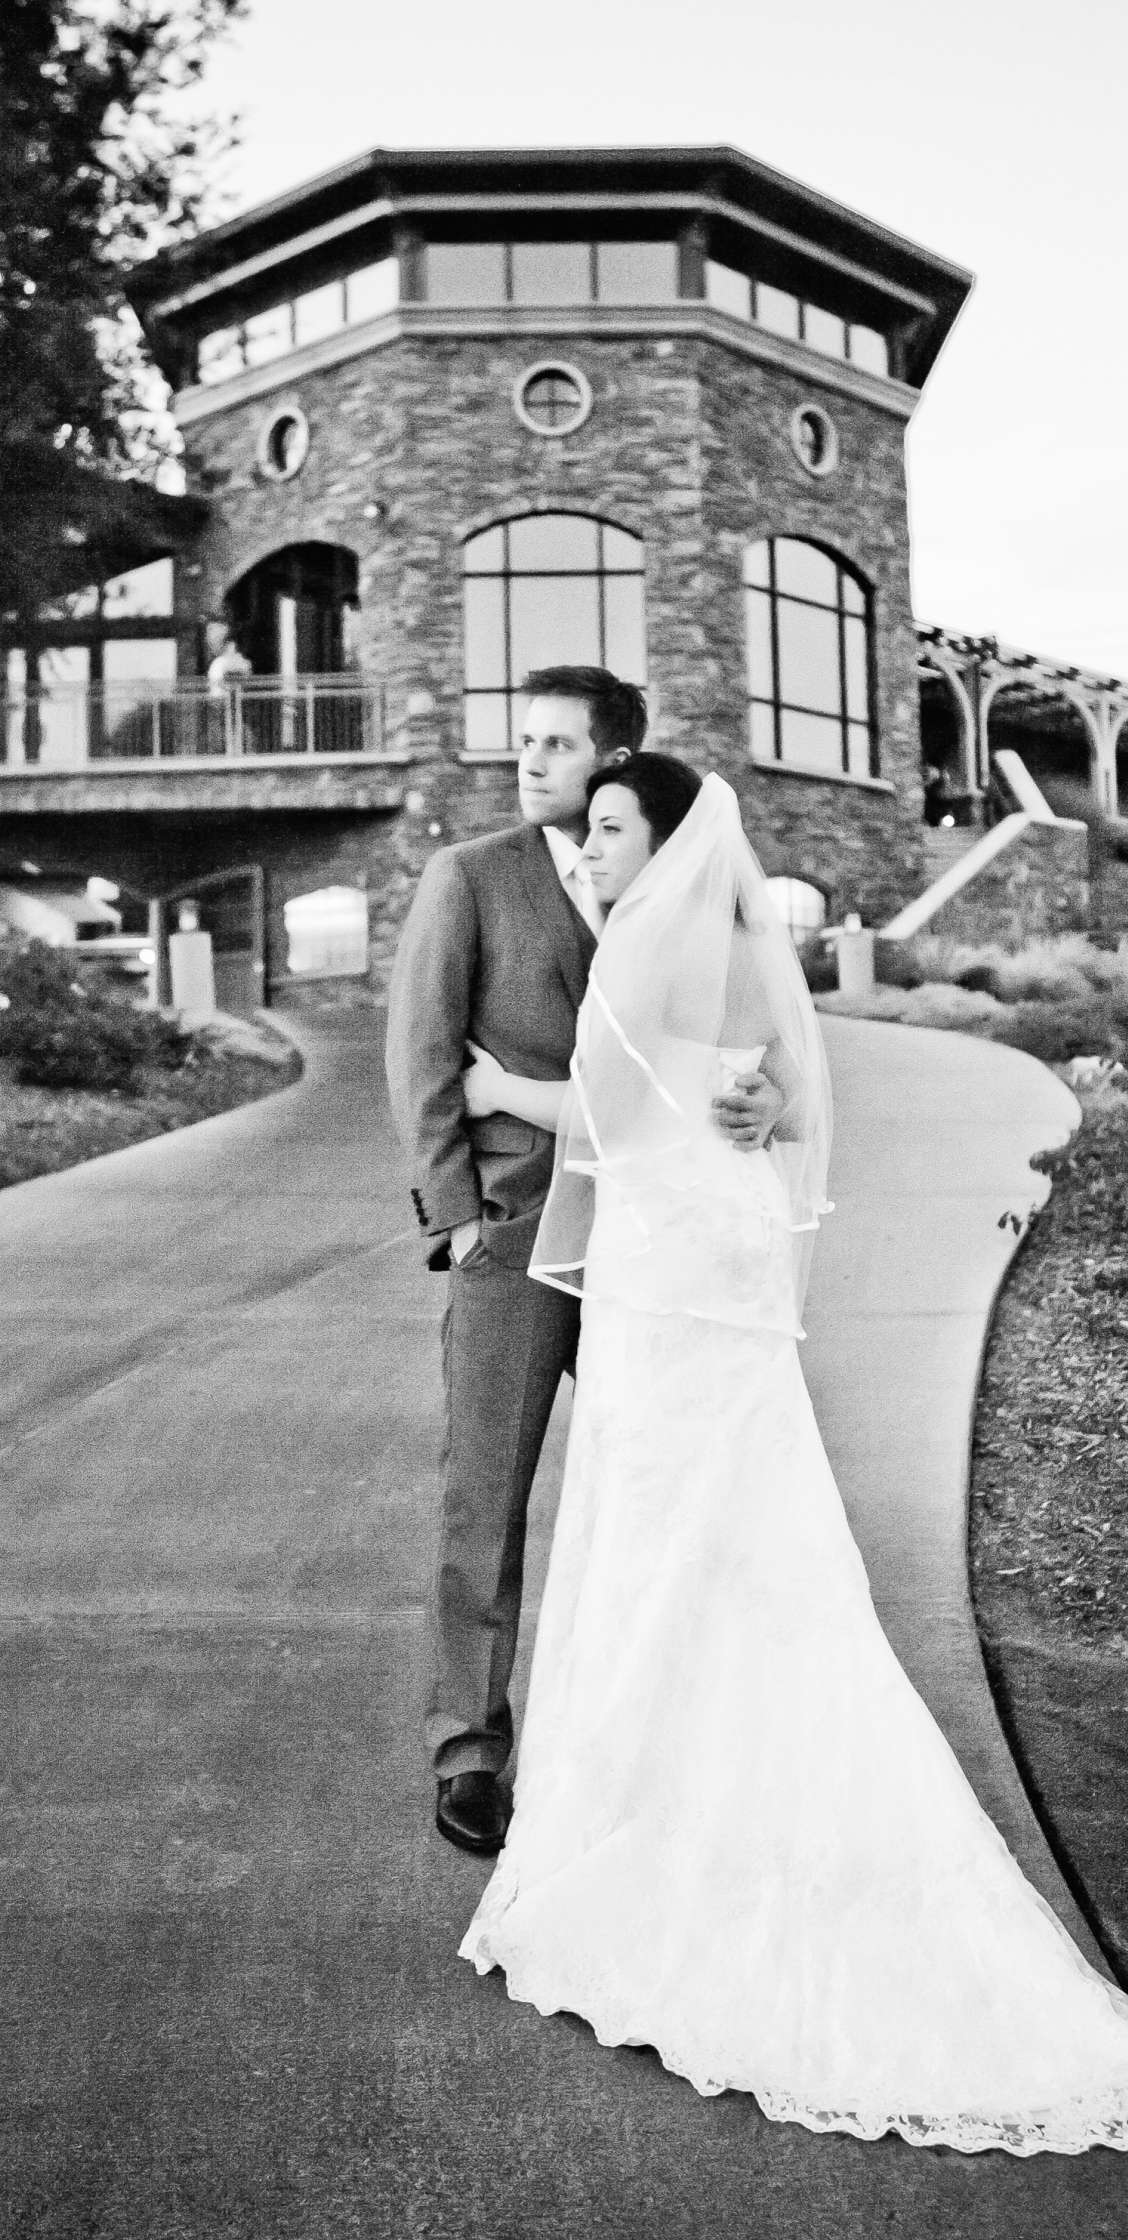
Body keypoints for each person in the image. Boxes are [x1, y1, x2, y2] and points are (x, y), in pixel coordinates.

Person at [454, 752, 1128, 2156]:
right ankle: (709, 1794)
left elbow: (603, 1118)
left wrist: (494, 1083)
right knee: (738, 1546)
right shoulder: (736, 948)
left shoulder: (647, 953)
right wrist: (762, 1114)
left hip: (669, 1279)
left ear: (665, 845)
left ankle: (654, 1837)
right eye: (585, 828)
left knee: (658, 1543)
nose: (585, 849)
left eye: (607, 828)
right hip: (716, 1262)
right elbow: (782, 1100)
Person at [385, 676, 780, 1857]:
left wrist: (755, 1094)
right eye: (523, 742)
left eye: (559, 744)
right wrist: (453, 1219)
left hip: (657, 1251)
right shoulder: (471, 876)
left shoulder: (678, 886)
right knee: (483, 1497)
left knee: (656, 1491)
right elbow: (418, 1055)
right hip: (512, 1242)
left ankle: (653, 1731)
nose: (531, 761)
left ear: (616, 757)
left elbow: (728, 1053)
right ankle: (469, 1748)